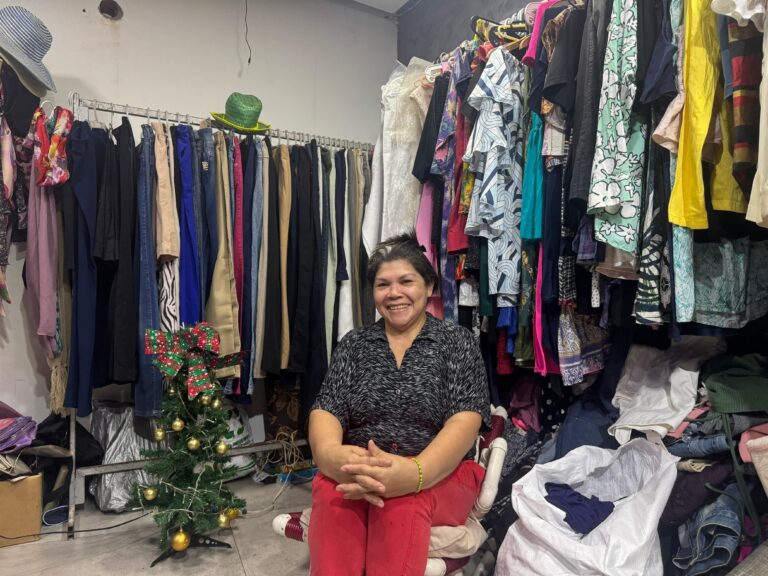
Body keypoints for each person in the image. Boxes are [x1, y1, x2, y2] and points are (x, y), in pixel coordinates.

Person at [308, 231, 491, 575]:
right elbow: (327, 408)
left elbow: (465, 421)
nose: (394, 293)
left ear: (429, 286)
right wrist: (331, 455)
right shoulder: (355, 344)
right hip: (364, 466)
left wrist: (415, 473)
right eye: (383, 284)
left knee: (402, 502)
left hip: (443, 474)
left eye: (406, 281)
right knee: (333, 493)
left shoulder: (457, 342)